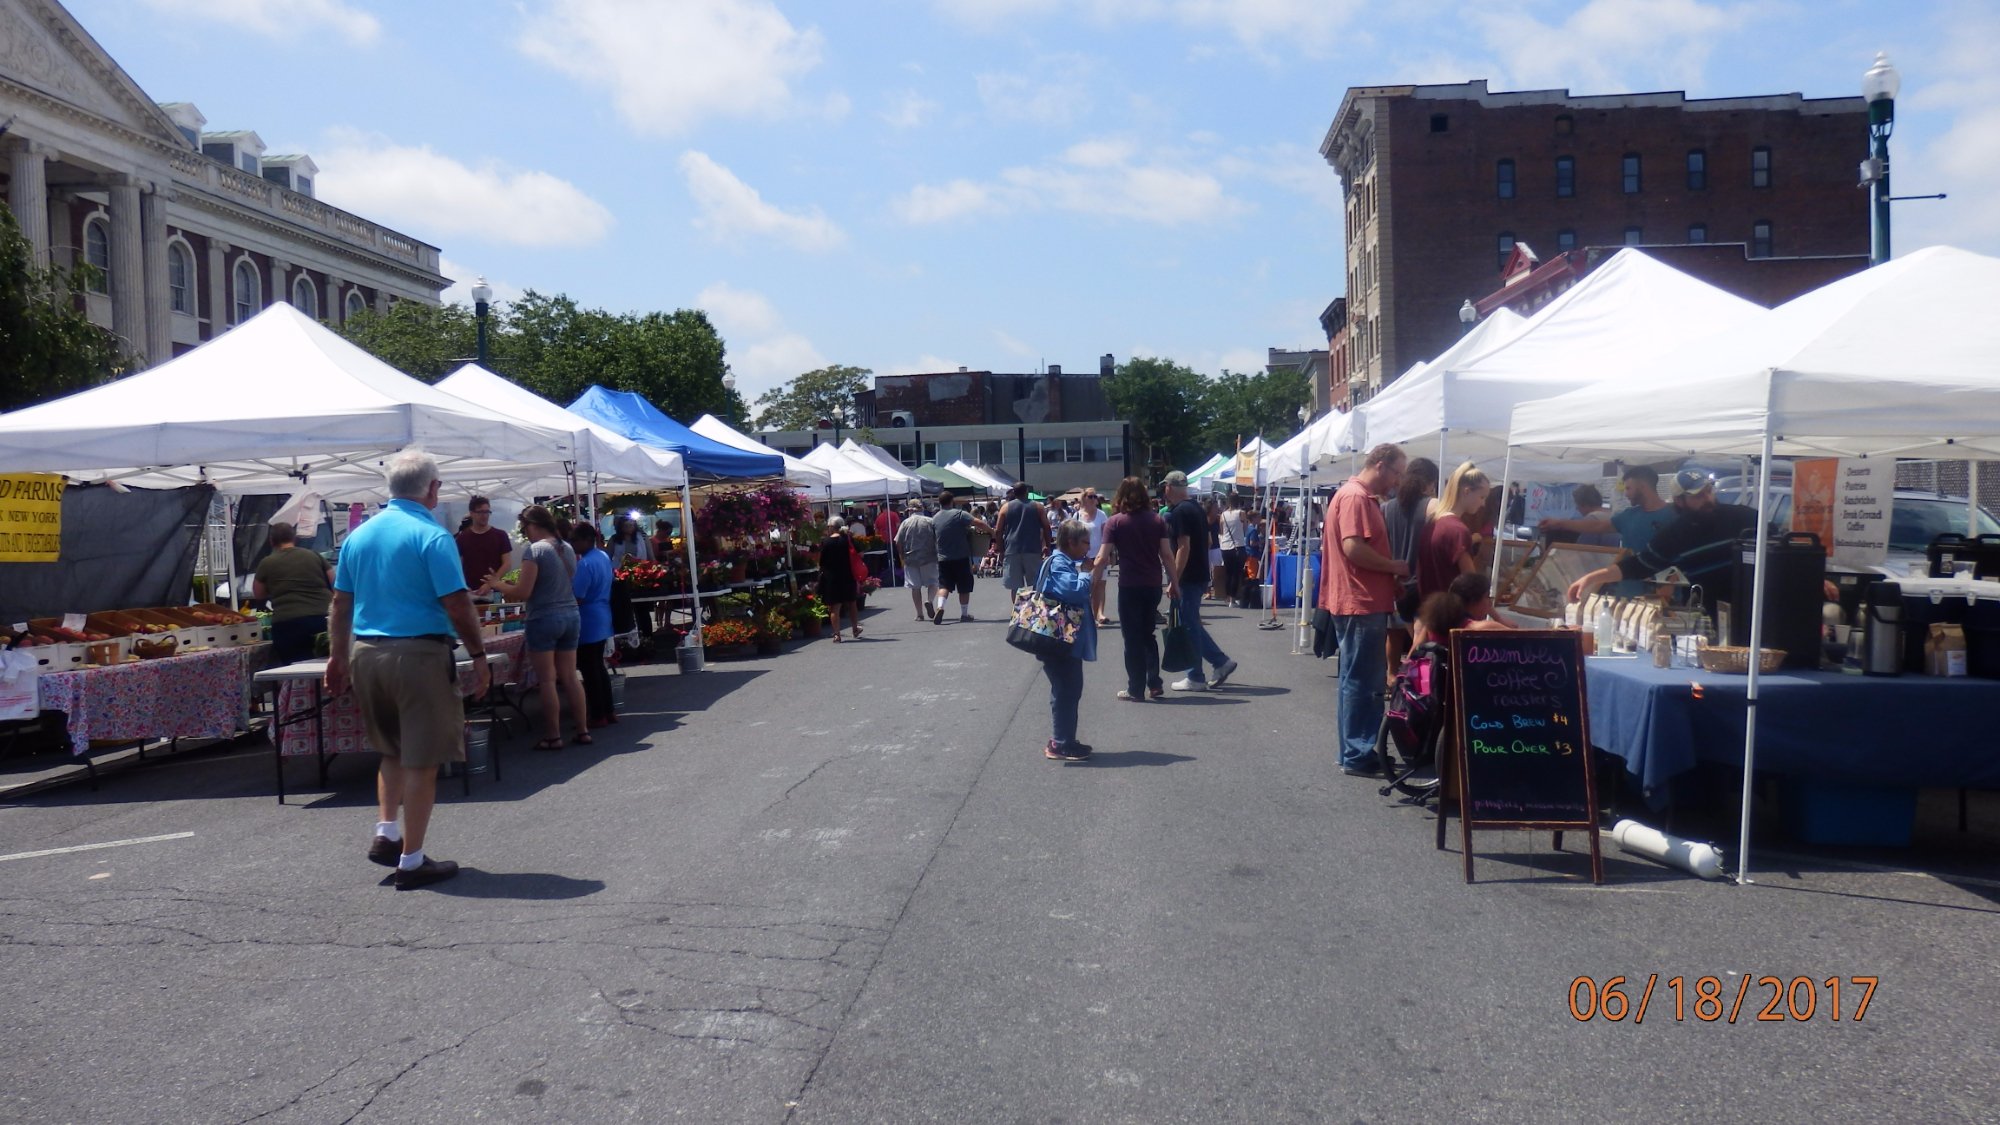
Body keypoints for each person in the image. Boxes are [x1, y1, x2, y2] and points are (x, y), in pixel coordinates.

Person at [325, 450, 488, 890]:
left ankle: (387, 831)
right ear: (432, 488)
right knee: (424, 759)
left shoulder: (360, 536)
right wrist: (477, 654)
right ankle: (412, 860)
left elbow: (341, 602)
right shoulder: (432, 537)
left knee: (392, 749)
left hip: (368, 652)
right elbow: (457, 603)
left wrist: (338, 656)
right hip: (417, 654)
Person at [1320, 443, 1409, 777]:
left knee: (1353, 680)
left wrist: (1388, 574)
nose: (1397, 482)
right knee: (1363, 681)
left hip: (1357, 599)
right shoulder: (1357, 497)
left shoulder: (1354, 495)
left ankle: (1352, 751)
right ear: (1381, 465)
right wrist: (1392, 567)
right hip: (1360, 602)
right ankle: (1357, 753)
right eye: (1397, 473)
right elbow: (1354, 549)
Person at [1567, 469, 1761, 612]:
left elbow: (1776, 546)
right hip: (1711, 618)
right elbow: (1637, 565)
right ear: (1679, 501)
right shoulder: (1675, 534)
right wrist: (1591, 578)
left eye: (1709, 491)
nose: (1708, 498)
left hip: (1753, 611)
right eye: (1698, 496)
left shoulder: (1744, 518)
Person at [484, 504, 590, 751]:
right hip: (571, 615)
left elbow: (523, 591)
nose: (525, 532)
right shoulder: (567, 547)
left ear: (533, 525)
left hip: (544, 617)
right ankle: (582, 729)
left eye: (525, 527)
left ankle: (553, 736)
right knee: (570, 677)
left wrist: (497, 584)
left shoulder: (536, 550)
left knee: (547, 680)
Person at [1095, 476, 1179, 702]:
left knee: (1131, 638)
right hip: (1152, 583)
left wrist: (1091, 580)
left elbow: (1103, 557)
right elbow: (1167, 555)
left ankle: (1136, 687)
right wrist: (1174, 583)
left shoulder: (1115, 522)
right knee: (1147, 634)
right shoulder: (1156, 520)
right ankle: (1154, 683)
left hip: (1130, 584)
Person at [1541, 465, 1678, 595]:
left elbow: (1682, 556)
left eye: (1629, 488)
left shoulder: (1674, 515)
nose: (1626, 494)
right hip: (1626, 594)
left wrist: (1670, 583)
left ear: (1642, 486)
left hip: (1663, 598)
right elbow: (1597, 526)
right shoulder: (1628, 515)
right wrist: (1560, 523)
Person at [1162, 470, 1237, 691]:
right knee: (1191, 623)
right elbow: (1206, 540)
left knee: (1188, 625)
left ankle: (1196, 675)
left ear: (1170, 488)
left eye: (1165, 487)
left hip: (1188, 576)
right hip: (1198, 573)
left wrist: (1174, 578)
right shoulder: (1195, 507)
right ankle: (1219, 662)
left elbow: (1184, 546)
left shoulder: (1180, 512)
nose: (1164, 490)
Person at [1036, 519, 1100, 761]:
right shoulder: (1060, 563)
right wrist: (1085, 574)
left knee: (1068, 690)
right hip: (1059, 639)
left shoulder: (1062, 561)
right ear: (1071, 542)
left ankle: (1065, 739)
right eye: (1085, 543)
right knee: (1066, 690)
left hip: (1060, 637)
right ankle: (1061, 742)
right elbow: (1074, 590)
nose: (1088, 548)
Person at [1380, 457, 1440, 680]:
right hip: (1422, 582)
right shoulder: (1431, 507)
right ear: (1430, 482)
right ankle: (1414, 685)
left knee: (1394, 636)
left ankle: (1392, 677)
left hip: (1395, 583)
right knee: (1421, 639)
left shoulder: (1387, 508)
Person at [254, 521, 334, 665]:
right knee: (324, 664)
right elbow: (334, 582)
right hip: (322, 618)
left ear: (271, 541)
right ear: (294, 538)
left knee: (294, 669)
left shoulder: (267, 562)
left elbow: (258, 593)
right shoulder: (314, 555)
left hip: (288, 623)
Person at [1416, 462, 1492, 600]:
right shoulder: (1458, 531)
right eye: (1482, 497)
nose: (1483, 504)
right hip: (1451, 612)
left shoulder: (1431, 523)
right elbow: (1472, 583)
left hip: (1429, 609)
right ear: (1467, 491)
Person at [570, 523, 616, 729]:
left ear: (587, 540)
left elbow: (578, 596)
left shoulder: (585, 564)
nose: (573, 544)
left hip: (588, 617)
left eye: (575, 540)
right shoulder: (603, 557)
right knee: (599, 666)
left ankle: (598, 714)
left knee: (590, 669)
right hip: (602, 614)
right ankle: (609, 710)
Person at [930, 491, 991, 623]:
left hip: (943, 558)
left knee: (944, 586)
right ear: (952, 501)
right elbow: (978, 523)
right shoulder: (959, 514)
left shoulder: (935, 518)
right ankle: (964, 614)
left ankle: (940, 607)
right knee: (964, 586)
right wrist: (992, 531)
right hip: (961, 556)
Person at [994, 482, 1051, 591]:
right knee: (1037, 583)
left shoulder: (1005, 508)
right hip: (1033, 549)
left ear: (1014, 493)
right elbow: (1046, 527)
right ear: (1027, 492)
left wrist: (1001, 550)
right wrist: (1047, 545)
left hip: (1012, 549)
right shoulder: (1038, 506)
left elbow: (998, 530)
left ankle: (1016, 607)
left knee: (1014, 587)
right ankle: (1034, 606)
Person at [818, 516, 865, 642]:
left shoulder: (826, 542)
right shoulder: (848, 539)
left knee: (835, 607)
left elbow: (822, 561)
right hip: (848, 575)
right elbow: (860, 553)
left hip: (832, 578)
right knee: (852, 603)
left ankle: (837, 634)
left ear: (832, 527)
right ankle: (855, 628)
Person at [453, 495, 512, 595]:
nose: (484, 515)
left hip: (494, 592)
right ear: (471, 513)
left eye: (487, 512)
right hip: (471, 591)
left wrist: (492, 582)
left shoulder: (500, 535)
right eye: (480, 512)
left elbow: (507, 563)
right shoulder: (462, 537)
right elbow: (456, 565)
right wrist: (462, 585)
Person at [894, 499, 939, 622]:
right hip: (929, 556)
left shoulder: (905, 523)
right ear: (922, 509)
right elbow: (937, 539)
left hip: (910, 557)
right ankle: (929, 600)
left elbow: (898, 541)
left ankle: (919, 614)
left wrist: (901, 555)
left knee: (915, 586)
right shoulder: (930, 521)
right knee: (933, 582)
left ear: (909, 510)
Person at [1075, 489, 1111, 625]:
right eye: (1090, 496)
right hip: (1083, 556)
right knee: (1087, 586)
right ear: (1084, 498)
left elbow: (1107, 536)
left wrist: (1109, 553)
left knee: (1100, 585)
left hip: (1099, 554)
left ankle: (1099, 614)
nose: (1093, 499)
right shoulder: (1077, 516)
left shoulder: (1101, 515)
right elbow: (1074, 535)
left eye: (1095, 496)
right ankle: (1088, 614)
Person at [1544, 484, 1620, 547]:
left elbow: (1582, 549)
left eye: (1578, 505)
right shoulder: (1611, 515)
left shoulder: (1592, 518)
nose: (1577, 509)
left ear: (1585, 504)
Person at [1217, 496, 1247, 608]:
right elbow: (1245, 529)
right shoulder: (1241, 513)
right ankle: (1233, 599)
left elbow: (1221, 530)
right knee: (1236, 573)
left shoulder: (1223, 515)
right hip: (1238, 545)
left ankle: (1228, 597)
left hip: (1225, 546)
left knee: (1228, 572)